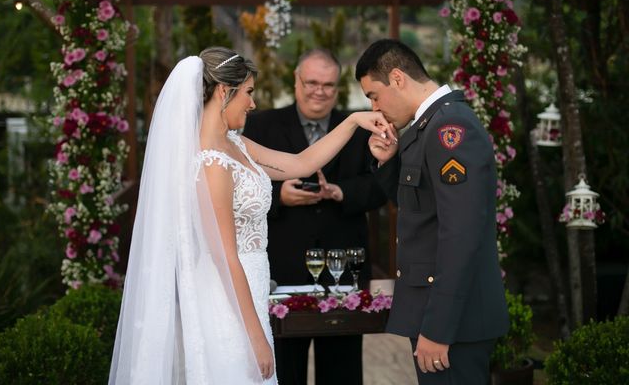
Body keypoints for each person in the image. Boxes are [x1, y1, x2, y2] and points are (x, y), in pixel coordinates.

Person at [108, 47, 394, 384]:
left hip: (252, 289)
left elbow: (302, 163)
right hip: (226, 298)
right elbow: (226, 256)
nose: (253, 103)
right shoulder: (212, 162)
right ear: (223, 92)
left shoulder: (236, 144)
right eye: (248, 93)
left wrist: (353, 121)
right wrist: (256, 334)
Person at [355, 39, 509, 384]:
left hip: (454, 323)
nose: (375, 108)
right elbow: (420, 211)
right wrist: (387, 162)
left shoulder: (448, 129)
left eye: (373, 95)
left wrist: (438, 329)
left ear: (397, 78)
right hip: (444, 316)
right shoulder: (426, 127)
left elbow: (460, 236)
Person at [242, 49, 387, 385]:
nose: (318, 91)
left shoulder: (361, 127)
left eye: (328, 84)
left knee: (342, 371)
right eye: (311, 82)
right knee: (285, 371)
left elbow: (380, 187)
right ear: (296, 81)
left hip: (344, 269)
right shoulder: (261, 124)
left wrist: (341, 192)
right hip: (284, 267)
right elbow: (244, 185)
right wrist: (281, 197)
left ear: (337, 88)